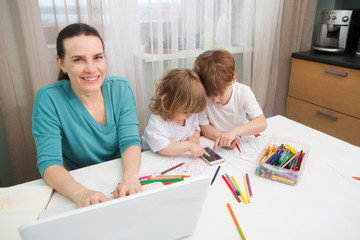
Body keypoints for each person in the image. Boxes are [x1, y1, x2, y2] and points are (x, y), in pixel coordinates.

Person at [32, 23, 142, 208]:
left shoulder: (120, 88)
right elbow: (49, 163)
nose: (91, 69)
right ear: (61, 62)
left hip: (125, 173)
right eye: (79, 60)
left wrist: (131, 178)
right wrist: (80, 193)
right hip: (84, 183)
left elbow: (130, 141)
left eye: (97, 57)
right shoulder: (48, 99)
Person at [193, 49, 267, 150]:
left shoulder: (243, 92)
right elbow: (205, 127)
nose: (215, 100)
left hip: (242, 137)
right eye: (209, 95)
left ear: (233, 79)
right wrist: (221, 138)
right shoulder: (203, 98)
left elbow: (261, 123)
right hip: (215, 138)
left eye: (220, 94)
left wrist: (234, 132)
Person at [142, 69, 210, 157]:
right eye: (186, 112)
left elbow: (196, 128)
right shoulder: (157, 122)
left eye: (193, 112)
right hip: (150, 157)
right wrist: (189, 146)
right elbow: (164, 148)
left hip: (174, 157)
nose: (190, 116)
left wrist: (194, 138)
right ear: (169, 103)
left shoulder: (190, 114)